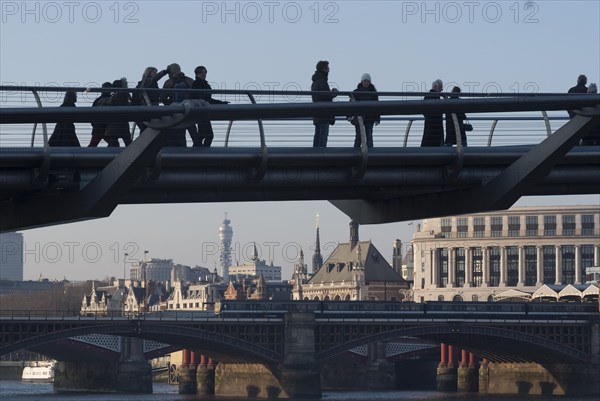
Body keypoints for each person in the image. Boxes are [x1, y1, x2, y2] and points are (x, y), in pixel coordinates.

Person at [191, 66, 229, 147]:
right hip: (201, 112)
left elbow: (207, 99)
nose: (204, 74)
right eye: (202, 72)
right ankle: (199, 152)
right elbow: (205, 99)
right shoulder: (197, 84)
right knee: (207, 135)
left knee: (204, 134)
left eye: (205, 72)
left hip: (202, 111)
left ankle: (198, 152)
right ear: (197, 73)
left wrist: (220, 103)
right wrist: (220, 103)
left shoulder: (201, 84)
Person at [161, 63, 196, 147]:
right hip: (189, 109)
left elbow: (163, 98)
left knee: (178, 132)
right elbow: (195, 94)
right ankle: (199, 149)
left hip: (175, 111)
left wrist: (169, 105)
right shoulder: (189, 80)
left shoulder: (168, 82)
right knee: (193, 131)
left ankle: (181, 149)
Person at [347, 73, 380, 148]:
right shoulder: (356, 92)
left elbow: (377, 106)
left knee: (369, 137)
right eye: (365, 81)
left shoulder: (373, 93)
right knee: (359, 136)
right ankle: (356, 154)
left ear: (370, 82)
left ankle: (370, 155)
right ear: (361, 81)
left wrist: (377, 118)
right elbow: (350, 105)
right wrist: (349, 115)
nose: (366, 83)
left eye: (367, 81)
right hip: (359, 118)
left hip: (369, 118)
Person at [311, 60, 338, 147]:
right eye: (327, 68)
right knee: (323, 136)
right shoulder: (322, 81)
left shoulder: (315, 81)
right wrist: (334, 92)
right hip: (324, 113)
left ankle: (315, 155)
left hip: (317, 112)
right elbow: (325, 95)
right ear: (323, 69)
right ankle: (321, 155)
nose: (329, 70)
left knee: (318, 135)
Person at [133, 66, 168, 132]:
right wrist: (164, 72)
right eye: (154, 72)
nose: (155, 74)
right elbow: (154, 79)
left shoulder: (143, 84)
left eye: (156, 72)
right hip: (148, 106)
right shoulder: (148, 81)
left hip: (146, 107)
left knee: (146, 129)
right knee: (148, 128)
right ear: (149, 73)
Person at [104, 78, 132, 147]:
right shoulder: (124, 95)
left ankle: (109, 156)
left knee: (113, 142)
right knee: (128, 143)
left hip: (114, 122)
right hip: (122, 122)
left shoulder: (114, 97)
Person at [421, 79, 444, 147]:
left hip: (428, 128)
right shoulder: (436, 97)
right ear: (435, 86)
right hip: (436, 131)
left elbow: (423, 111)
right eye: (441, 87)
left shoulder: (426, 97)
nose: (441, 90)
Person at [88, 82, 112, 147]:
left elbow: (91, 114)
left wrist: (95, 124)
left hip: (97, 128)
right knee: (113, 144)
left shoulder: (97, 100)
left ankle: (86, 156)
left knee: (92, 145)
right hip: (107, 128)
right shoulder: (112, 100)